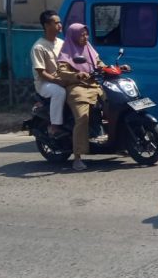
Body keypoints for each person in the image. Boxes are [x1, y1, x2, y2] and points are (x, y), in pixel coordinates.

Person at [56, 23, 107, 172]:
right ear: (74, 36)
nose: (85, 37)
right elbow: (62, 72)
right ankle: (77, 157)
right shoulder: (67, 52)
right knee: (82, 118)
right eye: (82, 35)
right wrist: (76, 75)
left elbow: (99, 64)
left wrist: (114, 68)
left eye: (86, 34)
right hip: (77, 87)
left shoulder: (89, 49)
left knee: (114, 104)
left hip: (94, 85)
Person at [31, 9, 65, 138]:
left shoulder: (62, 43)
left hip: (61, 79)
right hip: (45, 84)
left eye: (60, 22)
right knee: (59, 91)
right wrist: (57, 81)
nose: (60, 25)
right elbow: (41, 73)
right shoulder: (39, 47)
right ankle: (55, 126)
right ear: (46, 25)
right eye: (56, 23)